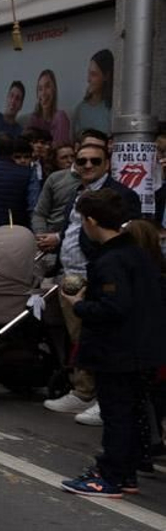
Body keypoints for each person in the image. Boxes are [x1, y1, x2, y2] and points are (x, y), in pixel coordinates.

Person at [57, 193, 166, 497]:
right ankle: (126, 472)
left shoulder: (111, 259)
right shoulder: (138, 252)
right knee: (131, 412)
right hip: (143, 348)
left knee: (117, 414)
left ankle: (110, 475)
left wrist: (78, 305)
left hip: (118, 350)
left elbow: (113, 307)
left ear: (91, 222)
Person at [42, 140, 142, 420]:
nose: (87, 165)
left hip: (97, 276)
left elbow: (126, 236)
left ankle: (101, 397)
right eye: (81, 160)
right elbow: (72, 228)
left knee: (100, 338)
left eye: (94, 161)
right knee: (80, 339)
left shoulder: (121, 194)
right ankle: (83, 391)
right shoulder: (78, 191)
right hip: (70, 274)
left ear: (107, 164)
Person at [69, 49, 113, 138]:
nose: (88, 79)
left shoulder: (112, 109)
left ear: (106, 76)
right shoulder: (80, 110)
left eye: (93, 74)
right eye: (89, 73)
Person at [25, 68, 73, 148]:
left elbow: (61, 149)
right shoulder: (34, 119)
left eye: (47, 86)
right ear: (37, 94)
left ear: (54, 90)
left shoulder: (60, 117)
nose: (43, 93)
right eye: (40, 89)